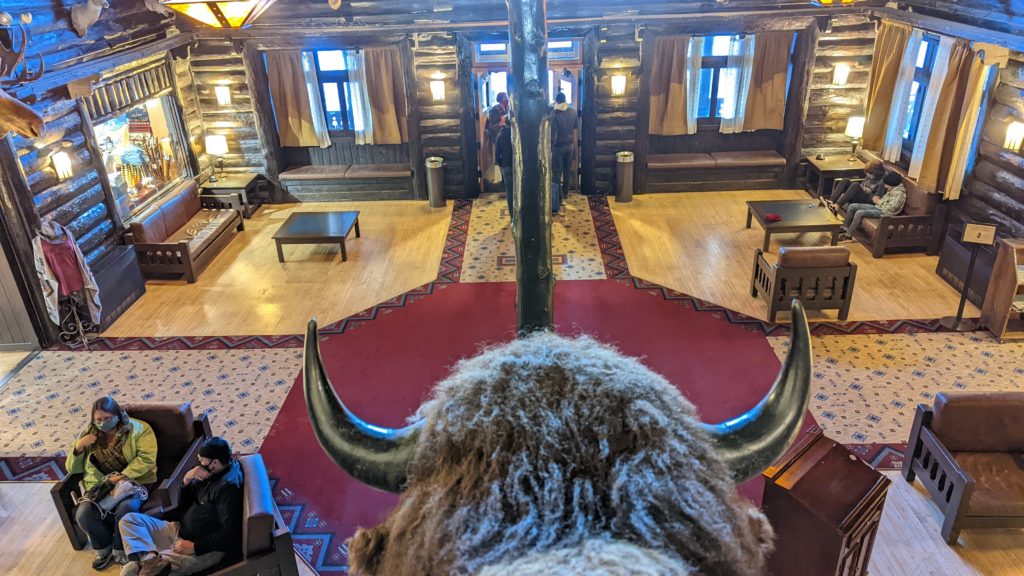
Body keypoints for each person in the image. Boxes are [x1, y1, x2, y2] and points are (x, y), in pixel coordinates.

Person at [118, 437, 244, 576]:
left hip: (202, 549)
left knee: (134, 572)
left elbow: (230, 532)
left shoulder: (228, 488)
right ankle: (151, 560)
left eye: (202, 460)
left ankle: (146, 562)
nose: (199, 463)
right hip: (178, 530)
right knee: (129, 520)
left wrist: (195, 547)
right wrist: (187, 479)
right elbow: (186, 502)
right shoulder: (211, 472)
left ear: (214, 462)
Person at [66, 396, 158, 570]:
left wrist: (121, 476)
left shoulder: (139, 429)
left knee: (126, 509)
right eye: (98, 419)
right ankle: (104, 548)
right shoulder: (88, 433)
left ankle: (121, 550)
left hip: (133, 482)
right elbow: (73, 469)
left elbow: (146, 460)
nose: (102, 423)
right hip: (100, 486)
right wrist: (78, 447)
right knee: (83, 514)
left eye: (107, 418)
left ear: (117, 414)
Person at [840, 171, 906, 240]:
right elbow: (885, 201)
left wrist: (879, 202)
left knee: (859, 213)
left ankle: (848, 235)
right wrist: (878, 200)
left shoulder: (899, 194)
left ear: (893, 184)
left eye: (887, 184)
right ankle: (844, 228)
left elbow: (892, 208)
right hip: (879, 207)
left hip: (885, 213)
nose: (885, 186)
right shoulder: (892, 189)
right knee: (852, 206)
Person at [550, 92, 578, 214]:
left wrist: (550, 146)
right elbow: (575, 129)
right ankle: (565, 193)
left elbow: (553, 134)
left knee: (556, 173)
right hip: (570, 145)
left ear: (556, 101)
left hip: (558, 147)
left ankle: (558, 198)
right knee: (566, 170)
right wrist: (575, 144)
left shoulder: (554, 114)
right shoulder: (572, 112)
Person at [495, 115, 515, 222]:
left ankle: (513, 217)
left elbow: (497, 156)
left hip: (506, 166)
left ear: (505, 123)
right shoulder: (518, 135)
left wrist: (501, 165)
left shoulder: (500, 136)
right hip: (518, 166)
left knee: (510, 192)